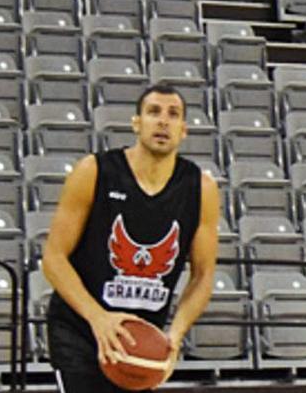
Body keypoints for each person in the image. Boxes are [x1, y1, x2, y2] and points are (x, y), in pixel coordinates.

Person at [42, 84, 221, 393]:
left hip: (141, 338)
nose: (163, 121)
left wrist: (174, 337)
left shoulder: (201, 188)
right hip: (81, 329)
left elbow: (203, 274)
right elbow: (53, 259)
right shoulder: (94, 171)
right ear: (136, 123)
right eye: (153, 112)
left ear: (184, 130)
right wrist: (98, 319)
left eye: (173, 114)